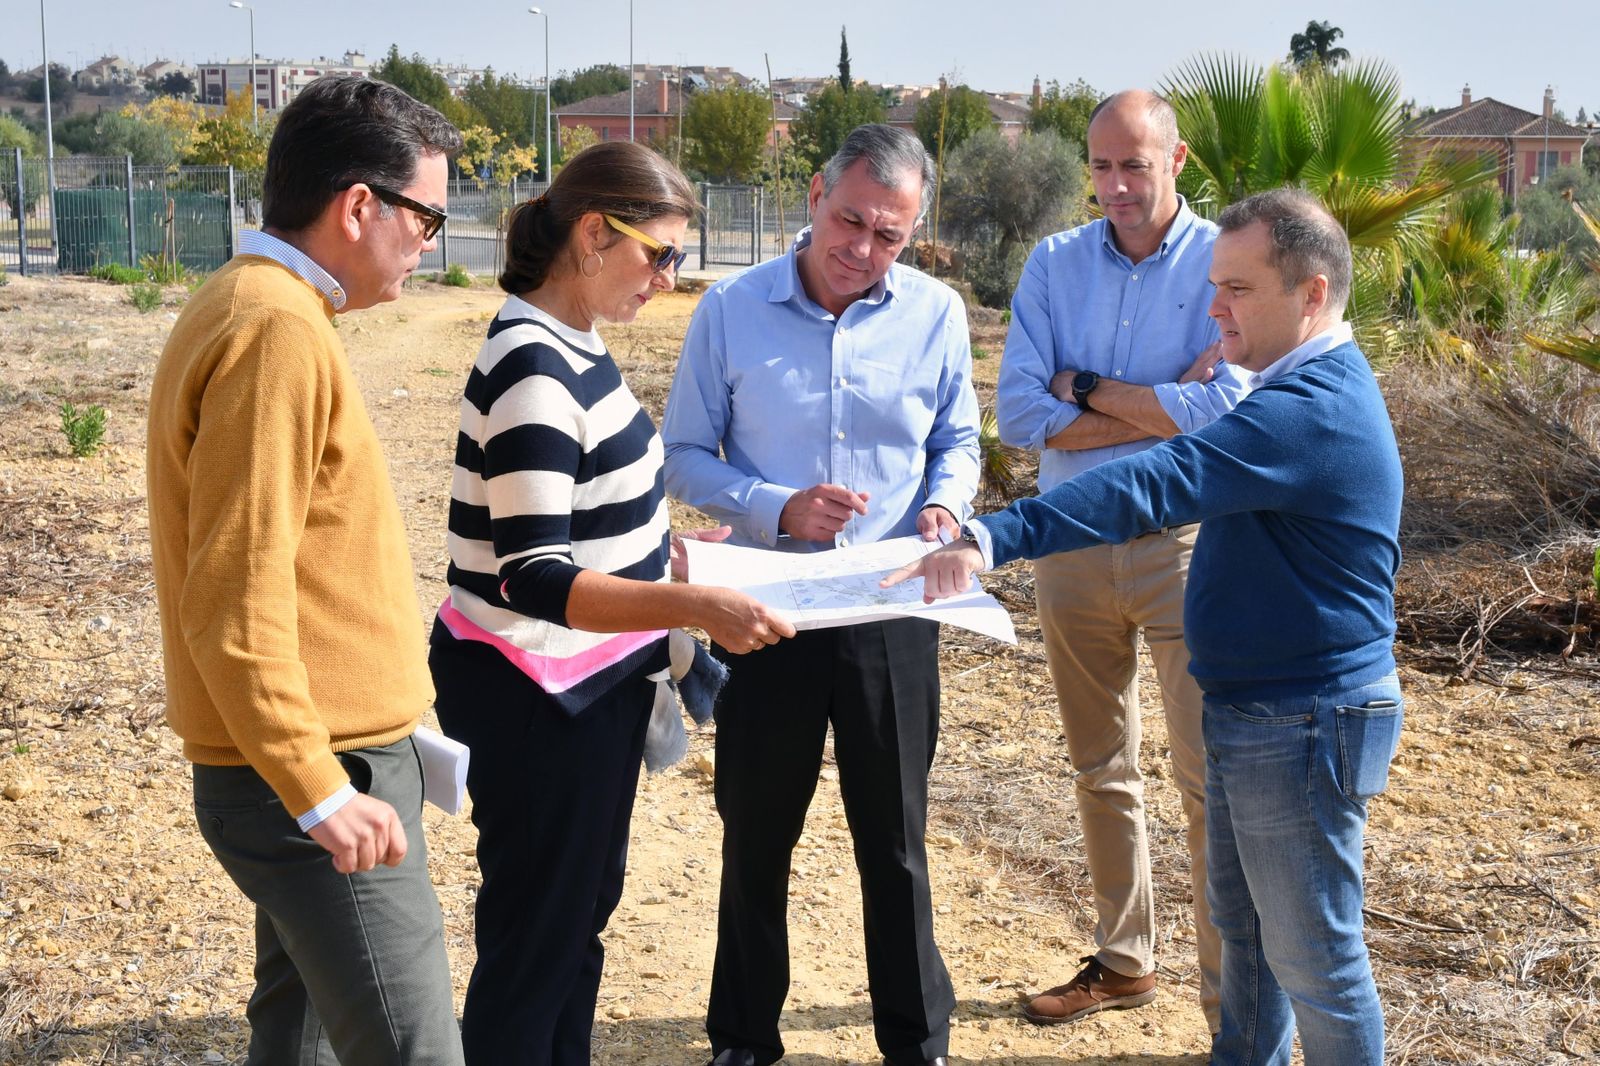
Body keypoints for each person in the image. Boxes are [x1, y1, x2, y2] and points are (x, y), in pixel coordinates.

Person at [886, 187, 1404, 1066]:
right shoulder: (1288, 387)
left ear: (1311, 293)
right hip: (1260, 712)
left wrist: (992, 535)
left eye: (1238, 288)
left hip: (1303, 719)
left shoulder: (1307, 407)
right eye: (1216, 285)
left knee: (1317, 960)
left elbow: (1153, 481)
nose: (1214, 307)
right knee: (1245, 939)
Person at [428, 141, 795, 1066]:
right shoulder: (534, 370)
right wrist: (689, 600)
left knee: (574, 924)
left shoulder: (572, 341)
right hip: (534, 693)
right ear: (593, 235)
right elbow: (533, 575)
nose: (669, 281)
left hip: (585, 685)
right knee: (536, 942)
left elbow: (582, 515)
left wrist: (665, 552)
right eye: (659, 254)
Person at [146, 76, 465, 1065]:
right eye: (427, 217)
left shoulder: (265, 310)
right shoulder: (274, 329)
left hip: (322, 756)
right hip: (313, 770)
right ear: (359, 204)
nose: (432, 244)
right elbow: (231, 595)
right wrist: (318, 789)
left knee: (299, 1041)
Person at [661, 123, 981, 1066]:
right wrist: (775, 505)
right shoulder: (729, 307)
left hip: (891, 603)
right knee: (757, 835)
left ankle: (915, 1043)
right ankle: (744, 1039)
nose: (865, 250)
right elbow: (682, 455)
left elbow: (958, 443)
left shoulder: (938, 313)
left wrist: (944, 506)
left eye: (890, 235)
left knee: (896, 841)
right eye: (851, 222)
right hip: (766, 612)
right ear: (813, 195)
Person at [994, 89, 1251, 1030]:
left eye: (1135, 164)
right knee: (1101, 764)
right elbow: (1018, 413)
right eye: (1101, 166)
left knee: (1205, 776)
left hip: (1187, 543)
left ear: (1176, 161)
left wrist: (1086, 386)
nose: (1115, 185)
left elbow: (1229, 412)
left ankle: (1234, 1010)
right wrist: (1153, 402)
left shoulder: (1230, 261)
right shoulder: (1055, 263)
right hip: (1072, 540)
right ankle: (1126, 962)